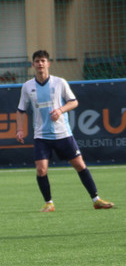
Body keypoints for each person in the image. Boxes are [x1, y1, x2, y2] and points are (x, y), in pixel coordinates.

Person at [16, 50, 114, 212]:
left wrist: (60, 110)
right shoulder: (27, 86)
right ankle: (49, 203)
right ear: (33, 65)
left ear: (48, 64)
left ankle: (96, 199)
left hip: (63, 134)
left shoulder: (59, 82)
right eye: (37, 61)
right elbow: (21, 110)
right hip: (41, 136)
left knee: (80, 165)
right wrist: (19, 129)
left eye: (43, 61)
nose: (40, 64)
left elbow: (73, 102)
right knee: (41, 169)